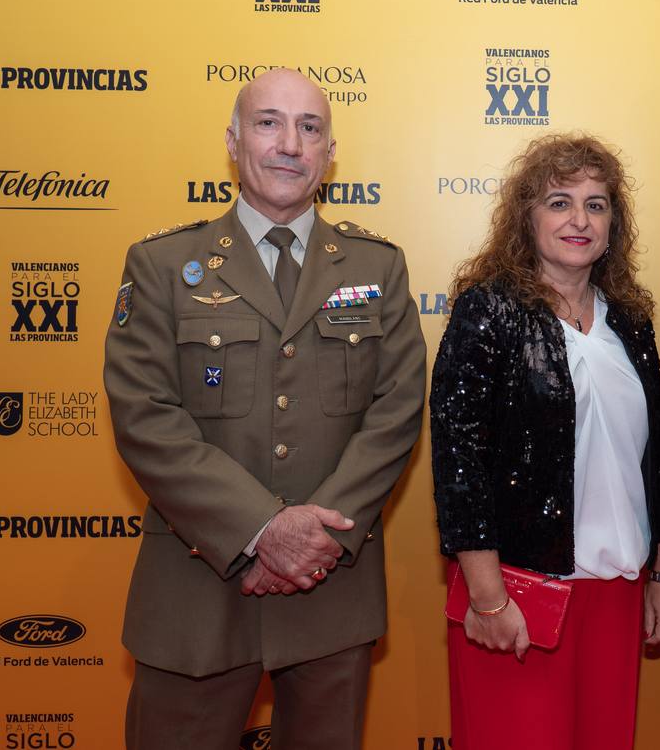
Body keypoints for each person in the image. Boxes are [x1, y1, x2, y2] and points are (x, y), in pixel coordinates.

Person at [103, 68, 426, 750]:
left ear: (329, 152)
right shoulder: (163, 264)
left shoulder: (377, 268)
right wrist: (260, 529)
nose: (289, 144)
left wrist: (313, 540)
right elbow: (145, 415)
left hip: (329, 589)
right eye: (269, 123)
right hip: (196, 590)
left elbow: (396, 410)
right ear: (233, 141)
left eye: (309, 128)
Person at [430, 133, 660, 750]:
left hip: (618, 594)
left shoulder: (630, 319)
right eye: (559, 202)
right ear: (527, 217)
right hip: (519, 594)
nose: (579, 219)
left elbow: (656, 457)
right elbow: (458, 459)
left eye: (597, 205)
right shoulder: (488, 311)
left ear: (613, 224)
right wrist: (488, 599)